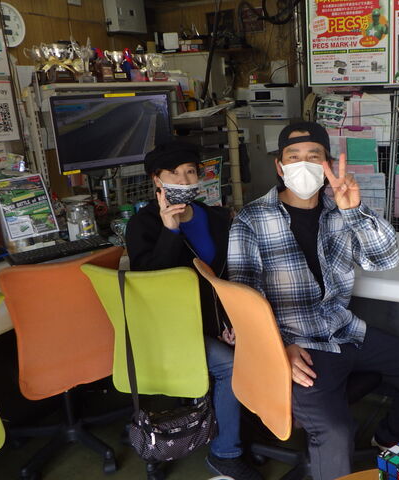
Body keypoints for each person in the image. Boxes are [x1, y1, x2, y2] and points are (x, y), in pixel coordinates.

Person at [227, 122, 399, 480]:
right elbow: (243, 300)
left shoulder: (339, 210)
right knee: (335, 432)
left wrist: (354, 210)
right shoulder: (251, 219)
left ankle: (386, 438)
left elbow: (385, 259)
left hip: (344, 330)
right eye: (293, 157)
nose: (303, 164)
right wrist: (277, 349)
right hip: (298, 345)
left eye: (313, 156)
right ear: (280, 166)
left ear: (327, 164)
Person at [125, 139, 262, 480]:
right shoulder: (143, 225)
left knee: (263, 343)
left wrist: (234, 321)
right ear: (157, 180)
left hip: (215, 321)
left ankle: (246, 426)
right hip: (171, 329)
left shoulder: (214, 216)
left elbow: (229, 276)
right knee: (230, 365)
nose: (184, 181)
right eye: (174, 174)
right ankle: (225, 455)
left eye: (190, 172)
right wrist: (170, 231)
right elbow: (150, 285)